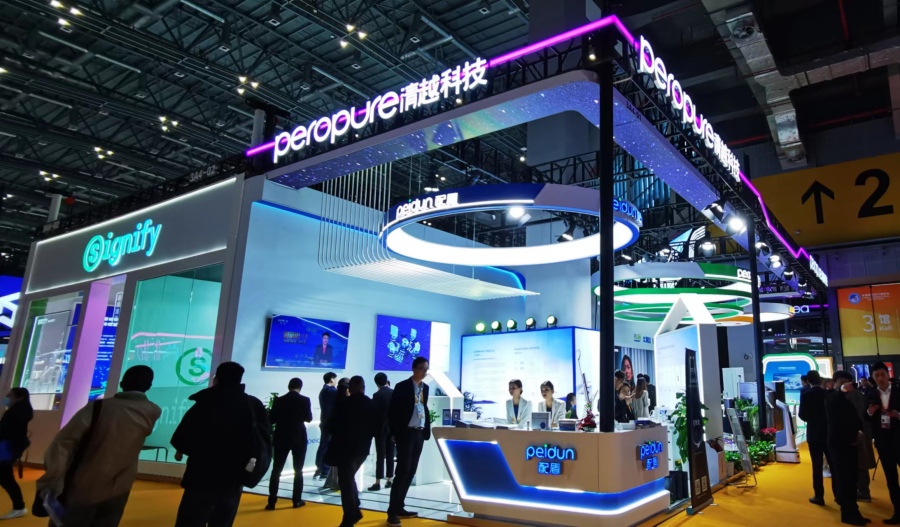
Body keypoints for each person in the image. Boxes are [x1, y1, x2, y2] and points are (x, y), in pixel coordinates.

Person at [37, 366, 160, 527]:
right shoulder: (153, 411)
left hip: (83, 485)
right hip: (121, 486)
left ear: (122, 383)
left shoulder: (98, 408)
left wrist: (51, 480)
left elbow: (63, 444)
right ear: (149, 386)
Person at [171, 362, 269, 527]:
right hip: (234, 476)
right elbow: (263, 438)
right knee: (223, 520)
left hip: (201, 473)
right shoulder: (252, 405)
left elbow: (183, 437)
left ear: (216, 378)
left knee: (191, 519)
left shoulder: (205, 402)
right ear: (240, 380)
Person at [326, 376, 377, 527]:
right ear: (363, 387)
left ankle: (350, 516)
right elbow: (377, 427)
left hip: (345, 449)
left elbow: (331, 425)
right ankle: (353, 510)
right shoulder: (371, 404)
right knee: (348, 479)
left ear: (350, 389)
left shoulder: (343, 404)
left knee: (345, 482)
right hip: (362, 449)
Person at [386, 356, 431, 527]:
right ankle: (392, 512)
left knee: (411, 471)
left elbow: (423, 408)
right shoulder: (402, 386)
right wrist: (394, 432)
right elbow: (393, 411)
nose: (424, 372)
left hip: (419, 433)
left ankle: (399, 506)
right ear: (414, 368)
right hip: (405, 433)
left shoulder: (425, 388)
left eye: (426, 369)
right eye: (422, 369)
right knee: (402, 472)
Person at [826, 371, 867, 526]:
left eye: (847, 381)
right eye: (842, 382)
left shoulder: (850, 397)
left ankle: (853, 511)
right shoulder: (831, 396)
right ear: (835, 382)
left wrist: (859, 432)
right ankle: (848, 513)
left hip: (852, 442)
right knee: (844, 479)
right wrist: (842, 390)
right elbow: (832, 406)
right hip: (839, 444)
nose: (845, 385)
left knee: (852, 478)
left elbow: (857, 416)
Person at [266, 377, 312, 511]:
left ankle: (271, 502)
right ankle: (296, 500)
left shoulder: (279, 400)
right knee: (298, 470)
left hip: (281, 436)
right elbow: (309, 418)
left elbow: (272, 419)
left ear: (288, 386)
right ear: (300, 387)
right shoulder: (305, 400)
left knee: (276, 470)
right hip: (299, 436)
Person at [867, 362, 900, 524]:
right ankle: (898, 511)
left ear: (888, 375)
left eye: (882, 374)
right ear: (873, 377)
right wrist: (870, 411)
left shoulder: (899, 391)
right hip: (883, 441)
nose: (880, 378)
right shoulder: (870, 394)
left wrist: (898, 415)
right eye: (876, 375)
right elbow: (865, 416)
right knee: (891, 479)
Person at [799, 370, 834, 506]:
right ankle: (839, 494)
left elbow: (802, 415)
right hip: (828, 433)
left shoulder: (806, 395)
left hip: (814, 434)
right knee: (834, 464)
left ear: (808, 381)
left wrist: (812, 419)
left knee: (817, 466)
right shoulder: (827, 394)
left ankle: (819, 496)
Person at [842, 377, 876, 502]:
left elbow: (858, 415)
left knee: (859, 464)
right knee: (861, 464)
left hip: (858, 434)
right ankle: (863, 490)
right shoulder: (858, 394)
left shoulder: (852, 396)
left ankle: (863, 491)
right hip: (861, 433)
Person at [0, 388, 32, 519]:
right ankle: (19, 506)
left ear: (20, 397)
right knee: (5, 478)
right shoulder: (19, 412)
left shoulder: (15, 414)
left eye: (10, 395)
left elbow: (5, 431)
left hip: (6, 448)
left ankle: (19, 507)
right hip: (8, 448)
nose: (7, 398)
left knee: (5, 478)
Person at [322, 378, 350, 492]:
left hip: (335, 436)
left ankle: (332, 481)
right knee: (342, 462)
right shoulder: (346, 404)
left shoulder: (335, 402)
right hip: (344, 436)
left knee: (336, 461)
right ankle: (337, 483)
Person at [369, 373, 394, 492]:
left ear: (376, 383)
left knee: (380, 455)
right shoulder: (394, 393)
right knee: (390, 454)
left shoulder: (377, 395)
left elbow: (374, 414)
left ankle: (378, 481)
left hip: (380, 429)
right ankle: (389, 479)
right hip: (392, 429)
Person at [314, 372, 338, 479]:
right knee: (326, 446)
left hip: (324, 422)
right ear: (332, 379)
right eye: (335, 379)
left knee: (323, 445)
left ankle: (320, 468)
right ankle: (324, 469)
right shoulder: (332, 391)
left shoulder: (323, 390)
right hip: (330, 423)